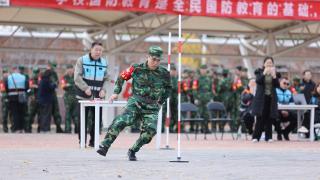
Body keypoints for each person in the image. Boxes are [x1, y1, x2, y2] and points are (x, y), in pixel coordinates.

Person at [97, 46, 171, 161]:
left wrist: (161, 102)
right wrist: (116, 93)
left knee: (150, 132)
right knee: (120, 121)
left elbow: (168, 88)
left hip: (151, 106)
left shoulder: (164, 73)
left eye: (158, 60)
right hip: (135, 102)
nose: (155, 62)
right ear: (148, 57)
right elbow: (121, 78)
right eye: (153, 59)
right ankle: (105, 145)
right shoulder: (136, 68)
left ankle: (133, 150)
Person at [74, 41, 109, 147]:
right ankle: (82, 142)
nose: (98, 52)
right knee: (82, 120)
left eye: (100, 50)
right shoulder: (82, 60)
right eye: (96, 50)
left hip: (98, 96)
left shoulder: (104, 62)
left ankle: (93, 142)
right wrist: (85, 88)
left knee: (97, 120)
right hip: (83, 95)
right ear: (91, 50)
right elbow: (77, 77)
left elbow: (107, 78)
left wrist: (104, 89)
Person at [251, 57, 280, 142]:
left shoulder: (275, 73)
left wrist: (274, 76)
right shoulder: (259, 72)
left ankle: (269, 137)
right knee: (260, 117)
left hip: (271, 98)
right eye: (267, 63)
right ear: (264, 64)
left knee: (269, 118)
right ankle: (256, 137)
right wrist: (264, 73)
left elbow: (277, 84)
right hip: (261, 99)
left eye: (270, 63)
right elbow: (259, 81)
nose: (269, 64)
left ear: (273, 64)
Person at [5, 66, 29, 133]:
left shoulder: (9, 77)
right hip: (22, 96)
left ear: (13, 70)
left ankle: (16, 128)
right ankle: (22, 128)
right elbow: (27, 87)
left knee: (15, 113)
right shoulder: (23, 77)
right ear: (18, 70)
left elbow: (6, 87)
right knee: (22, 112)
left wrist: (8, 93)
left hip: (12, 97)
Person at [193, 64, 213, 133]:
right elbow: (194, 89)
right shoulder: (197, 79)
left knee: (206, 114)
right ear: (200, 70)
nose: (203, 71)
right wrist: (195, 98)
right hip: (200, 98)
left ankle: (206, 128)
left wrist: (211, 98)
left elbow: (211, 89)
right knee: (199, 113)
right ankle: (198, 128)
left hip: (207, 99)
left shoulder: (209, 79)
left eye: (204, 69)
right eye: (202, 69)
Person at [47, 61, 64, 133]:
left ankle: (58, 127)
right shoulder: (47, 73)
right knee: (47, 112)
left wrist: (55, 84)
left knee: (56, 112)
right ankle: (45, 128)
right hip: (47, 95)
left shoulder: (54, 74)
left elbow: (57, 83)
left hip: (53, 94)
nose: (53, 68)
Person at [61, 64, 78, 133]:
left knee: (76, 114)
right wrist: (67, 85)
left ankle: (77, 129)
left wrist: (69, 85)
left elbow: (79, 85)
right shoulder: (64, 77)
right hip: (67, 97)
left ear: (73, 69)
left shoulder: (76, 77)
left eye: (71, 69)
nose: (70, 70)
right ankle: (67, 129)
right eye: (68, 69)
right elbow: (63, 86)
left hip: (76, 97)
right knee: (68, 113)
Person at [25, 67, 40, 133]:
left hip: (39, 99)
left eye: (37, 73)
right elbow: (28, 89)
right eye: (35, 73)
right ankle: (28, 128)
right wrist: (31, 95)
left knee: (40, 115)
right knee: (30, 115)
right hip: (32, 100)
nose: (35, 74)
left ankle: (39, 129)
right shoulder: (30, 79)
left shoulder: (40, 80)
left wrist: (37, 86)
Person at [1, 68, 10, 133]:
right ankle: (5, 129)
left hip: (10, 98)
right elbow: (2, 90)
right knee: (5, 114)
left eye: (6, 73)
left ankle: (13, 127)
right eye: (4, 73)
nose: (6, 74)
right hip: (5, 98)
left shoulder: (9, 80)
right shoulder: (2, 81)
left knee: (11, 113)